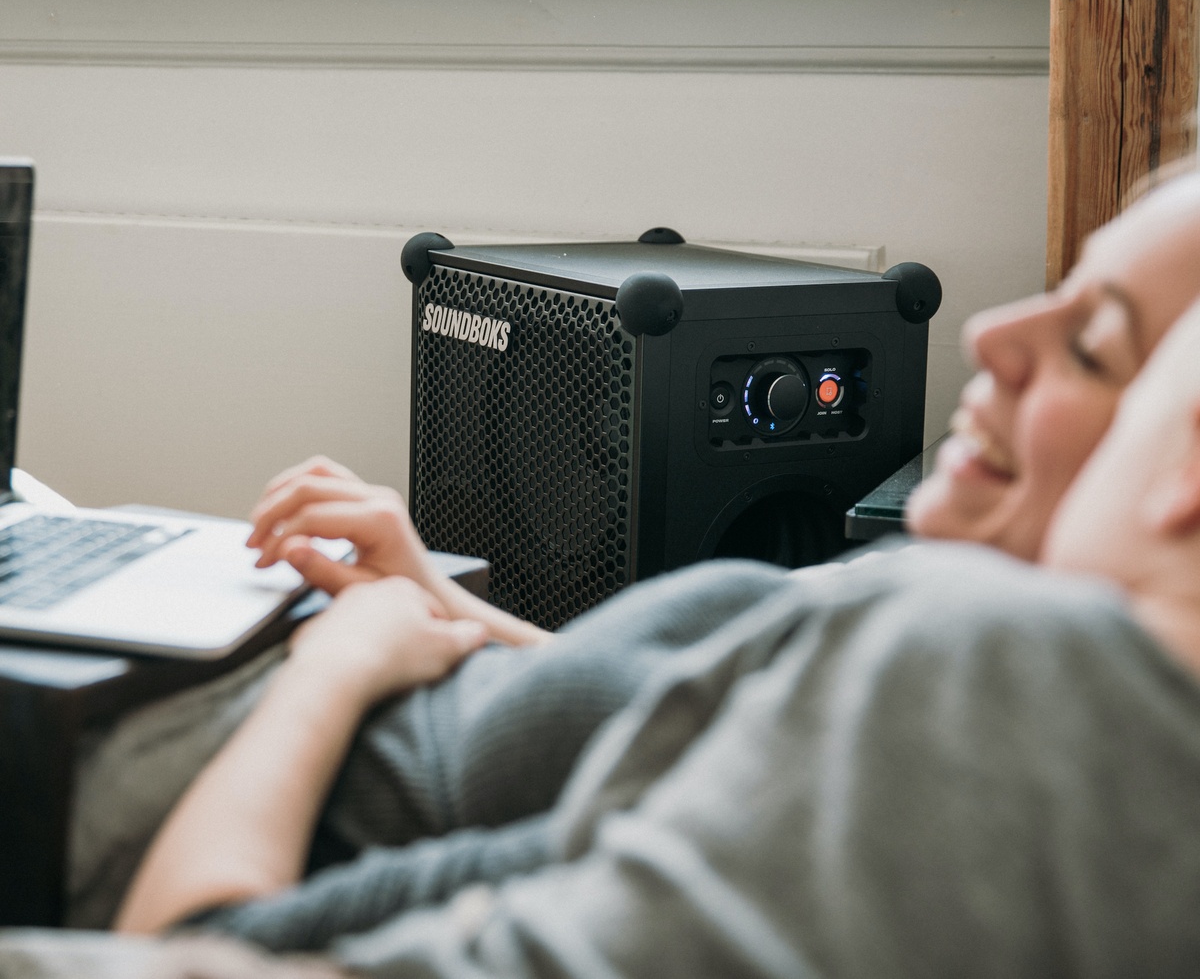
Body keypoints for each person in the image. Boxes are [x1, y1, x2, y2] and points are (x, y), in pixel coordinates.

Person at [11, 235, 1200, 977]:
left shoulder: (987, 693)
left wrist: (344, 668)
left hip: (120, 760)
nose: (993, 332)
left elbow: (207, 947)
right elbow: (672, 732)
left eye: (1097, 346)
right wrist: (441, 599)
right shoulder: (953, 611)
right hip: (295, 657)